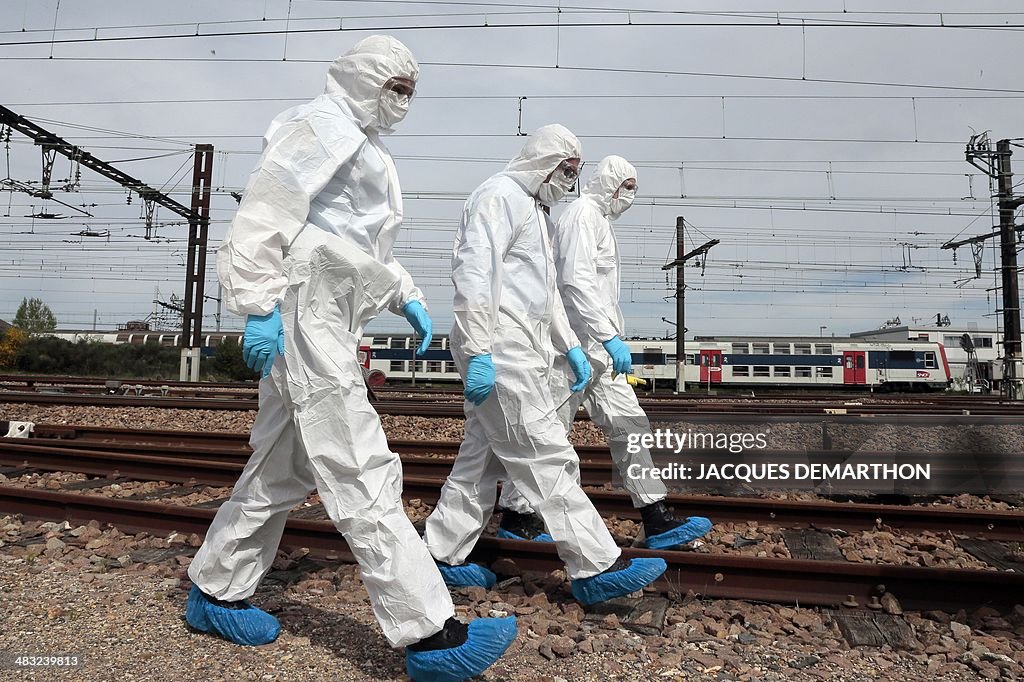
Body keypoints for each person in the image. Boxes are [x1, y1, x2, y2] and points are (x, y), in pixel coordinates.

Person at [185, 35, 515, 681]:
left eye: (410, 93)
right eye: (396, 88)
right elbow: (268, 210)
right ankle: (431, 635)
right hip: (302, 304)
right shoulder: (320, 125)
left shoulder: (364, 143)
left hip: (329, 306)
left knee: (281, 467)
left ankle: (215, 590)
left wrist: (405, 294)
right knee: (359, 459)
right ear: (364, 79)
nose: (403, 102)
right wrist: (256, 304)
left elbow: (355, 243)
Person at [422, 126, 667, 606]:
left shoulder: (536, 210)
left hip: (523, 349)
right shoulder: (498, 196)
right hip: (499, 348)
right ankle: (594, 564)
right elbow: (475, 274)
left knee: (480, 461)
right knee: (547, 454)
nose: (571, 181)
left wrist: (570, 344)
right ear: (544, 161)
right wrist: (477, 351)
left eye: (576, 173)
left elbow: (548, 293)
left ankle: (440, 555)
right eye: (567, 170)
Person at [495, 156, 713, 550]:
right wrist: (608, 336)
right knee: (548, 433)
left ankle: (655, 514)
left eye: (633, 187)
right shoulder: (581, 215)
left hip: (599, 351)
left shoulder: (600, 223)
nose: (630, 195)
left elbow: (598, 289)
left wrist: (610, 341)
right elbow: (574, 281)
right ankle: (517, 516)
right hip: (571, 350)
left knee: (630, 425)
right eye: (626, 186)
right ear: (609, 183)